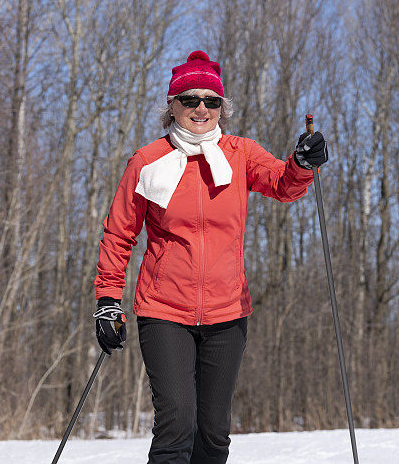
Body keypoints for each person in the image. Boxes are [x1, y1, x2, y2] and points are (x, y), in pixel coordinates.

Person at [92, 50, 328, 464]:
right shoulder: (147, 162)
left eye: (211, 101)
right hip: (164, 310)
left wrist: (303, 164)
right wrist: (108, 301)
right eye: (190, 99)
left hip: (227, 313)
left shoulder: (240, 154)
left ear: (222, 108)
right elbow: (119, 233)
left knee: (214, 433)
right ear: (173, 106)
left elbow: (283, 183)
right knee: (178, 422)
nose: (201, 108)